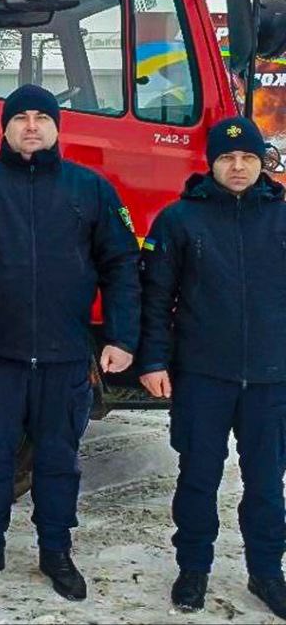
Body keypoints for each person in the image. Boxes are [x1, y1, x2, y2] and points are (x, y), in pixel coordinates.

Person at [0, 84, 140, 601]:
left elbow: (122, 266)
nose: (32, 126)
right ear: (4, 127)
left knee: (59, 461)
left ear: (58, 127)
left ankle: (56, 552)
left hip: (65, 357)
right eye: (21, 118)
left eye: (42, 117)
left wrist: (122, 336)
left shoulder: (91, 190)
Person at [138, 116, 286, 619]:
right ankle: (193, 569)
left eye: (247, 157)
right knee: (198, 477)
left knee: (266, 482)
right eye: (227, 158)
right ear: (211, 163)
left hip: (271, 377)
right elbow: (156, 299)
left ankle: (267, 572)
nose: (238, 166)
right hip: (202, 374)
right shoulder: (180, 220)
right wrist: (154, 360)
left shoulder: (282, 217)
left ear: (262, 162)